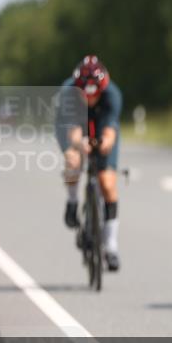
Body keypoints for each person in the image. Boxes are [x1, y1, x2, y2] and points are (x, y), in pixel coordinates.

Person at [56, 56, 123, 271]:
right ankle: (73, 201)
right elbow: (73, 130)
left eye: (94, 94)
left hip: (101, 122)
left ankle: (111, 247)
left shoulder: (112, 94)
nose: (90, 98)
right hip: (74, 122)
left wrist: (105, 143)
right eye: (86, 94)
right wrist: (78, 143)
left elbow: (110, 131)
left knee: (107, 183)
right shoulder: (69, 94)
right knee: (74, 160)